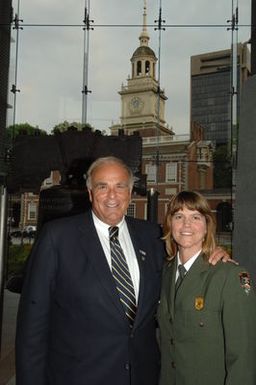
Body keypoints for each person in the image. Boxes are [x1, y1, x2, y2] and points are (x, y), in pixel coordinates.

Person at [15, 157, 228, 385]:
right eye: (102, 186)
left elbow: (186, 264)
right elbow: (32, 327)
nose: (112, 195)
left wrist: (213, 254)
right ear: (90, 193)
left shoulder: (152, 237)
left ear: (130, 192)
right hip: (78, 376)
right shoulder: (57, 237)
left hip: (142, 376)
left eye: (120, 186)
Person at [157, 190, 256, 385]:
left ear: (206, 226)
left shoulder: (230, 276)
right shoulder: (165, 273)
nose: (186, 224)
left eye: (195, 217)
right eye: (179, 216)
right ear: (170, 224)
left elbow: (242, 357)